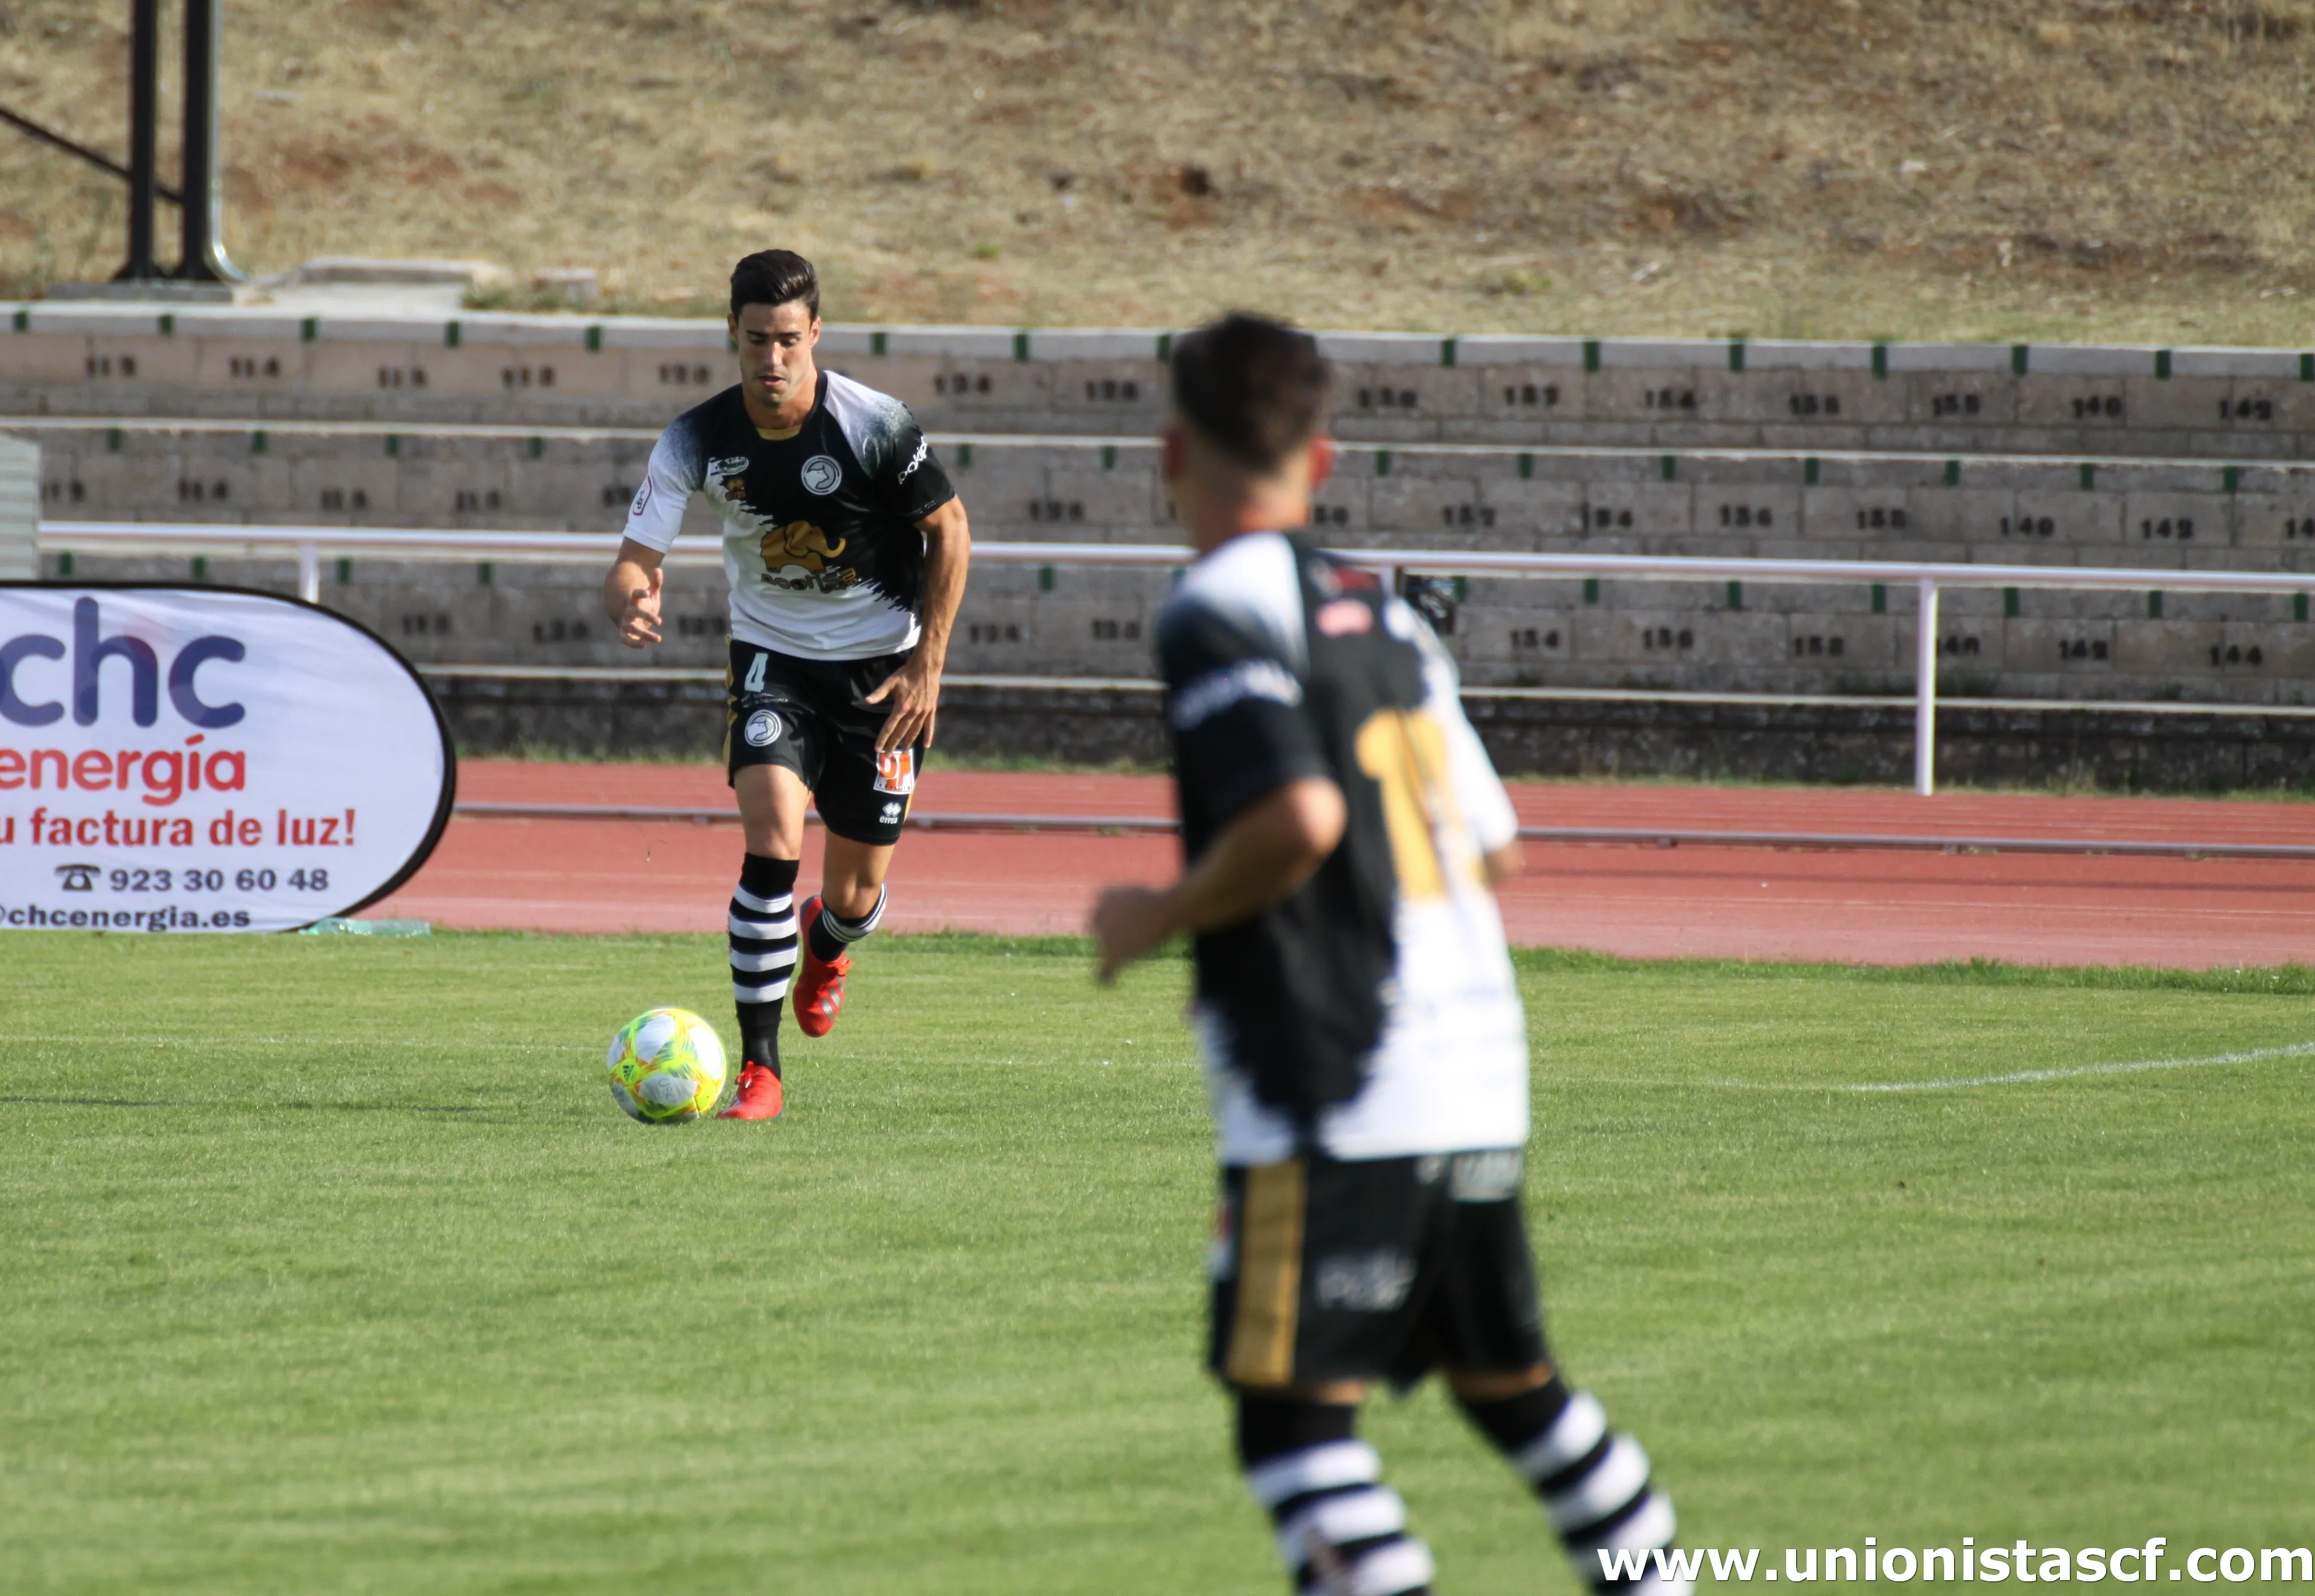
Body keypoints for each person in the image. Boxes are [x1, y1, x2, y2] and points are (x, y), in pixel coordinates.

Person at [1089, 313, 1689, 1596]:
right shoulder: (1391, 612)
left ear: (1170, 453)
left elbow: (1298, 820)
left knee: (1292, 1422)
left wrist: (1154, 915)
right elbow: (1497, 846)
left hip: (1340, 1078)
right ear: (1325, 456)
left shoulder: (1214, 609)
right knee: (1514, 1393)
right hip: (1477, 1064)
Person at [605, 250, 971, 1121]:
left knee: (852, 895)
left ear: (816, 336)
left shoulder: (875, 424)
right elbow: (633, 560)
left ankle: (829, 947)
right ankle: (759, 1071)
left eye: (789, 342)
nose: (772, 360)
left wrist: (928, 666)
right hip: (772, 662)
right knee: (771, 840)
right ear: (731, 332)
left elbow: (950, 532)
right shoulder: (694, 437)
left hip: (884, 671)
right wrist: (633, 599)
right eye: (757, 340)